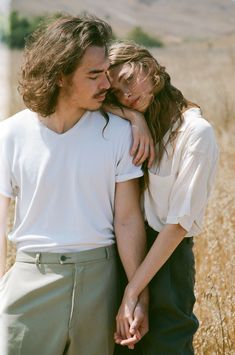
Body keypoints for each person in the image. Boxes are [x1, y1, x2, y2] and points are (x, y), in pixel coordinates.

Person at [0, 17, 149, 355]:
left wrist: (138, 297)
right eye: (94, 75)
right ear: (60, 76)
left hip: (100, 283)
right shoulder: (9, 135)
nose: (107, 84)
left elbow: (127, 219)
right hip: (28, 283)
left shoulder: (119, 133)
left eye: (106, 72)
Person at [104, 41, 219, 354]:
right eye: (117, 93)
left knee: (166, 346)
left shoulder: (195, 133)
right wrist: (134, 117)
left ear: (149, 65)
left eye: (128, 79)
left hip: (167, 260)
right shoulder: (137, 125)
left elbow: (177, 226)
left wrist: (133, 290)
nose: (126, 95)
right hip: (126, 252)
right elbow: (92, 103)